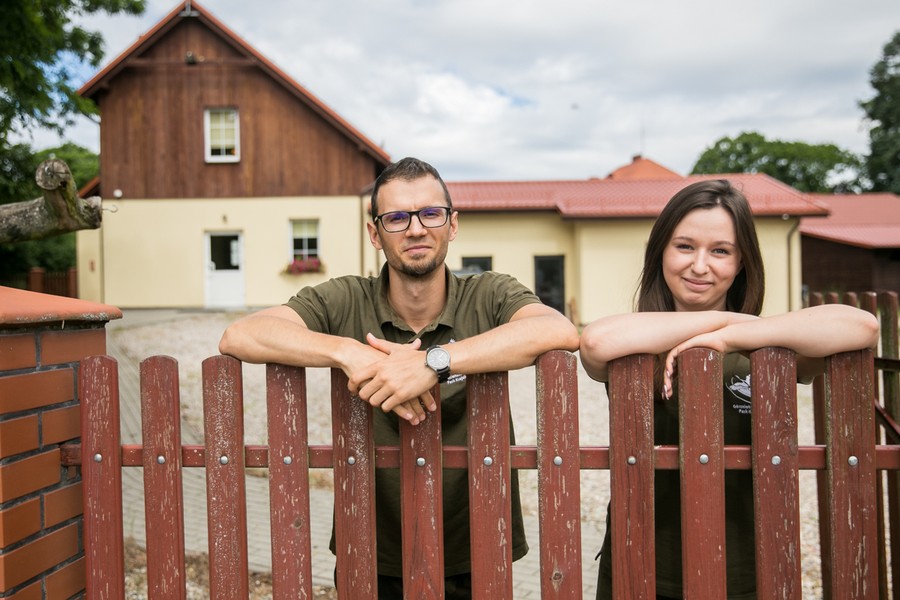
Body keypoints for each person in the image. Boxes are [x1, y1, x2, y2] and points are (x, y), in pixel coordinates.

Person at [219, 156, 580, 599]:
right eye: (396, 217)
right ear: (375, 233)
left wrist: (434, 362)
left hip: (480, 544)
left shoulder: (489, 294)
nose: (415, 229)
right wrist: (346, 351)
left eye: (431, 213)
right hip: (370, 548)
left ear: (452, 225)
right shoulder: (345, 299)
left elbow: (557, 330)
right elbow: (241, 334)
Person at [578, 179, 880, 600]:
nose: (700, 266)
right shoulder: (634, 342)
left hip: (751, 567)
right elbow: (595, 341)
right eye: (684, 246)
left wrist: (727, 337)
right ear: (660, 252)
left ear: (741, 263)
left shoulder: (767, 347)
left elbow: (862, 325)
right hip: (642, 564)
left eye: (720, 251)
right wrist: (732, 323)